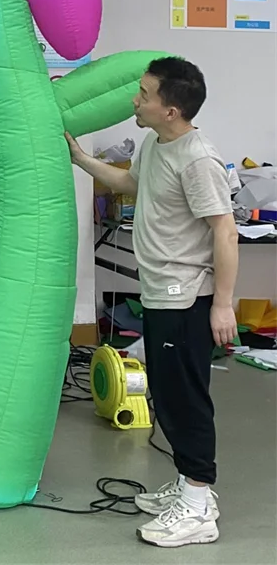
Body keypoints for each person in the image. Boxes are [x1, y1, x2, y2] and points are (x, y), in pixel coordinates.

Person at [66, 57, 238, 549]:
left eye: (144, 94)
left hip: (188, 299)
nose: (134, 100)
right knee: (166, 393)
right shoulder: (155, 143)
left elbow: (225, 231)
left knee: (185, 401)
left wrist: (222, 305)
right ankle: (188, 485)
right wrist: (82, 161)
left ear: (172, 109)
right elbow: (130, 185)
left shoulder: (198, 159)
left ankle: (199, 504)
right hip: (160, 292)